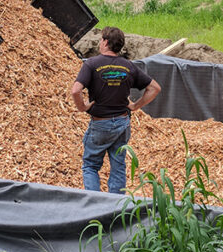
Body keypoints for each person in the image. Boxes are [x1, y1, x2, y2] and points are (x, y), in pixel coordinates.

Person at [69, 27, 161, 194]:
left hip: (100, 124)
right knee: (118, 166)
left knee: (90, 166)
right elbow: (154, 88)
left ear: (105, 42)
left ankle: (93, 206)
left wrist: (82, 107)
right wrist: (135, 106)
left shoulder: (91, 64)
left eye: (100, 40)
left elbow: (76, 90)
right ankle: (116, 209)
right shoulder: (128, 66)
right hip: (122, 122)